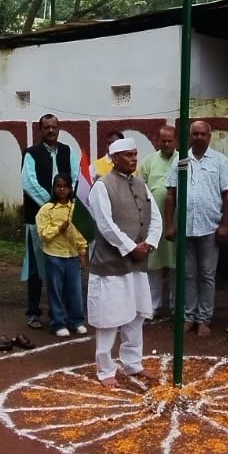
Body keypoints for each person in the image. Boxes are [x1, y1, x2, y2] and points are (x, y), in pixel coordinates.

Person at [86, 138, 162, 386]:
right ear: (115, 158)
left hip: (137, 263)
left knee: (136, 315)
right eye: (128, 155)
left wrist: (150, 242)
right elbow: (106, 225)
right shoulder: (102, 186)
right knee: (110, 318)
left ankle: (132, 363)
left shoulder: (141, 184)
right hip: (111, 264)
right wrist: (131, 248)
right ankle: (105, 369)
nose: (133, 159)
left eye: (135, 154)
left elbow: (156, 217)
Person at [163, 120, 228, 337]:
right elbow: (171, 194)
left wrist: (225, 224)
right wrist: (170, 224)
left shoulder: (221, 161)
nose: (199, 137)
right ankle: (188, 317)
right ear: (189, 136)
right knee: (187, 275)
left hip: (210, 228)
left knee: (207, 275)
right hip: (185, 228)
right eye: (195, 133)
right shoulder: (181, 160)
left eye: (203, 133)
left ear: (209, 136)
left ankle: (204, 318)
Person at [21, 114, 72, 329]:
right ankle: (33, 312)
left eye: (54, 127)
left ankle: (58, 312)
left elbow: (74, 177)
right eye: (46, 127)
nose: (51, 131)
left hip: (63, 220)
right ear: (40, 130)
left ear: (58, 128)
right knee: (36, 268)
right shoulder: (31, 153)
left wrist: (65, 204)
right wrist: (51, 204)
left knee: (59, 267)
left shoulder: (67, 151)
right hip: (38, 220)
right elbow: (28, 182)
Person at [35, 173, 88, 338]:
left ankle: (76, 321)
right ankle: (58, 322)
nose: (62, 189)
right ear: (54, 188)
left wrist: (82, 251)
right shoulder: (46, 209)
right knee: (56, 291)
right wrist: (59, 229)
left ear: (70, 188)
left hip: (72, 255)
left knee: (75, 291)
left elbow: (81, 232)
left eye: (65, 186)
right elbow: (43, 234)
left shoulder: (75, 208)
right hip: (54, 255)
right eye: (58, 186)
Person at [139, 125, 178, 319]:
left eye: (170, 140)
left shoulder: (183, 160)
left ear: (176, 141)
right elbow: (140, 189)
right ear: (158, 141)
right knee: (153, 264)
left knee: (175, 264)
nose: (167, 144)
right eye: (163, 140)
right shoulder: (148, 162)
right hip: (153, 221)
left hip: (177, 221)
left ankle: (175, 307)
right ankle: (152, 306)